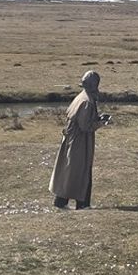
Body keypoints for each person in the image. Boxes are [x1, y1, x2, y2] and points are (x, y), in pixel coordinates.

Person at [49, 71, 111, 209]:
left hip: (73, 140)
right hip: (80, 142)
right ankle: (82, 204)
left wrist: (97, 118)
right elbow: (85, 126)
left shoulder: (81, 97)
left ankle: (61, 202)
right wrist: (101, 123)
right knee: (81, 172)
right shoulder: (87, 101)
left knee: (70, 171)